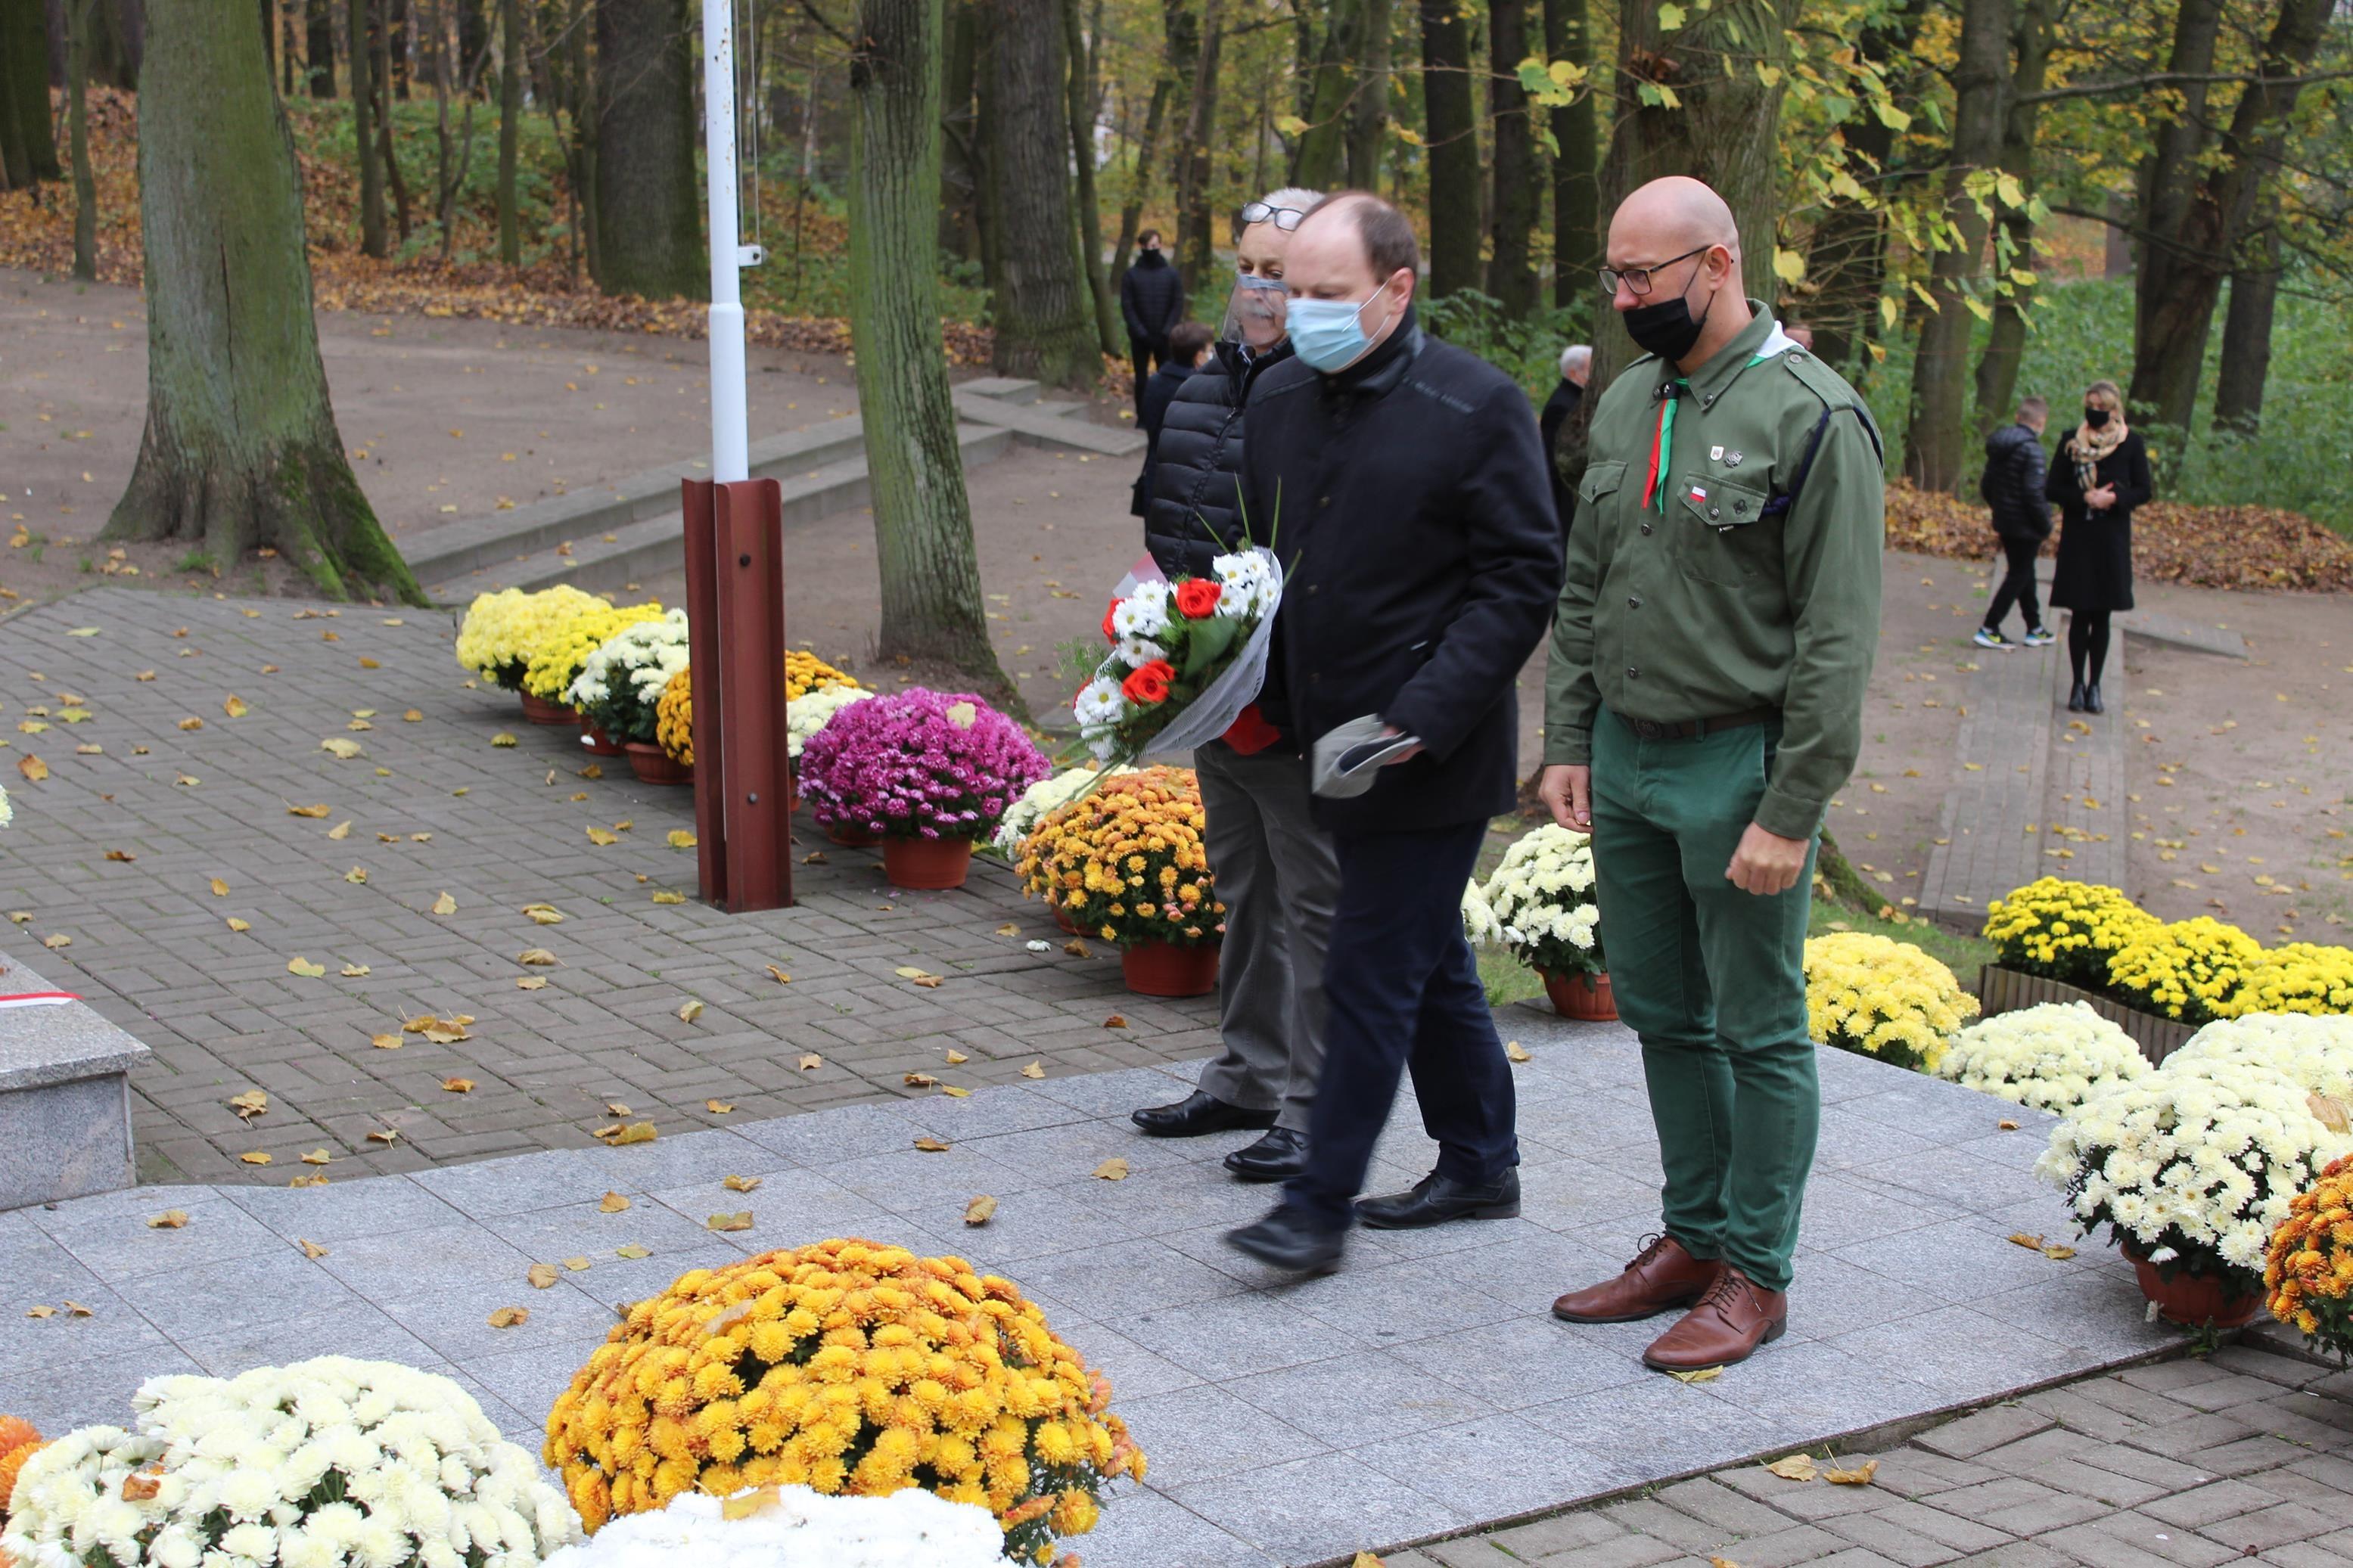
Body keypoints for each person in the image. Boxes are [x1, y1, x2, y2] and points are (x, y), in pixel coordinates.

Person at [1540, 175, 1884, 1372]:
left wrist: (1792, 808)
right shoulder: (1632, 398)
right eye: (1614, 277)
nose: (1626, 298)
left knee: (1759, 1027)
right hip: (1628, 756)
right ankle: (1689, 1239)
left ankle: (1755, 1272)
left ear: (1719, 262)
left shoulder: (1812, 417)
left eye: (1646, 278)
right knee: (1662, 1014)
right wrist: (1568, 736)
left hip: (1738, 763)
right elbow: (1585, 582)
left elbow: (1837, 640)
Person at [1220, 191, 1562, 1274]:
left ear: (1397, 288)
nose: (1298, 310)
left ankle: (1315, 1208)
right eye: (1288, 288)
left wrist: (1417, 717)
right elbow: (1270, 566)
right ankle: (1480, 1158)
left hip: (1425, 754)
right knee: (1426, 959)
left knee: (1367, 968)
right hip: (1310, 737)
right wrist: (1217, 678)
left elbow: (1518, 582)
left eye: (1327, 295)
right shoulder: (1275, 400)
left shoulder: (1476, 405)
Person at [1130, 188, 1338, 1188]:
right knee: (1243, 888)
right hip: (1216, 695)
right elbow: (1164, 527)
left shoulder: (1332, 396)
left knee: (1314, 904)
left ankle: (1315, 1102)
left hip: (1299, 699)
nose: (1260, 291)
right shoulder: (1201, 389)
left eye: (1282, 274)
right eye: (1250, 269)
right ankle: (1247, 1072)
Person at [2047, 380, 2149, 715]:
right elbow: (2053, 488)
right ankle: (2076, 684)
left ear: (2114, 409)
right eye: (2090, 404)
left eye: (2101, 407)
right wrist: (2084, 497)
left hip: (2111, 541)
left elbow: (2144, 490)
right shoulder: (2070, 442)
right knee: (2079, 613)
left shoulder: (2131, 444)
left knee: (2102, 616)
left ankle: (2096, 685)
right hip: (2079, 539)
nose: (2094, 411)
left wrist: (2114, 498)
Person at [1973, 396, 2056, 650]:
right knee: (2018, 574)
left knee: (2024, 572)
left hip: (2006, 521)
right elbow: (2034, 492)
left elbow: (1987, 485)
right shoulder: (2032, 451)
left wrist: (1999, 508)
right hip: (2026, 526)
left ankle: (2035, 627)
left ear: (2018, 418)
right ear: (2041, 422)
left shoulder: (2000, 447)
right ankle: (1990, 626)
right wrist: (2045, 523)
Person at [1131, 321, 1216, 519]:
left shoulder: (1155, 382)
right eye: (1210, 350)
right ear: (1199, 355)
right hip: (1190, 478)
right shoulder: (1202, 387)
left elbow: (1149, 423)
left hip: (1156, 470)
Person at [1119, 230, 1188, 408]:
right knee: (1141, 377)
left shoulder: (1171, 274)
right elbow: (1128, 307)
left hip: (1165, 337)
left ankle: (1167, 411)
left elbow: (1177, 303)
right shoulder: (1131, 275)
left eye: (1156, 245)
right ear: (1142, 247)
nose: (1153, 249)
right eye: (1150, 246)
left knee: (1166, 377)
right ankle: (1142, 414)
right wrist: (1141, 333)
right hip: (1140, 338)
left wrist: (1166, 331)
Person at [1540, 344, 1592, 535]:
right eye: (1589, 369)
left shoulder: (1574, 399)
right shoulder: (1562, 405)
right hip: (1562, 493)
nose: (1594, 375)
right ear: (1573, 373)